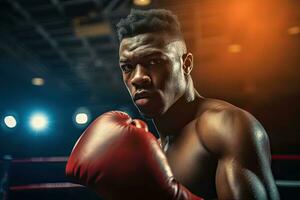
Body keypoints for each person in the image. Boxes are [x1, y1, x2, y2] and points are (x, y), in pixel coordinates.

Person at [66, 9, 280, 200]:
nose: (138, 77)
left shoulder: (225, 126)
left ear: (186, 63)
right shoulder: (153, 150)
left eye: (153, 61)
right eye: (128, 67)